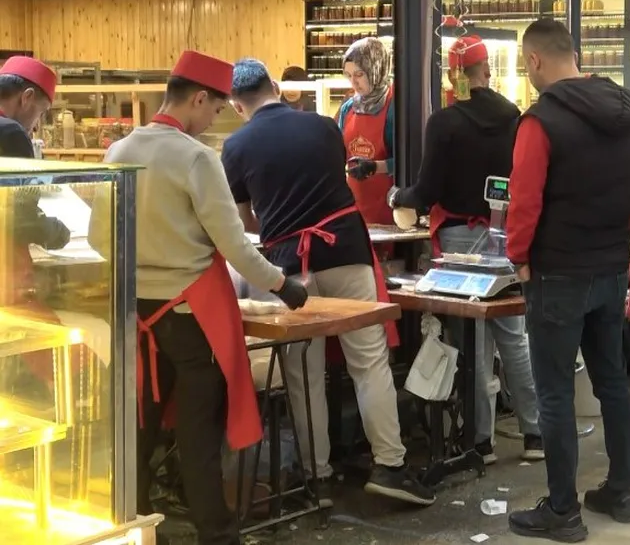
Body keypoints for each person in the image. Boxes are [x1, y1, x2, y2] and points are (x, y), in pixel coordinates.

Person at [96, 51, 309, 545]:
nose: (215, 118)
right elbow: (235, 245)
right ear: (197, 98)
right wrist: (283, 284)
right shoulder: (195, 158)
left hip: (138, 314)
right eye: (215, 108)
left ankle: (134, 524)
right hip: (190, 315)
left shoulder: (118, 150)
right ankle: (216, 534)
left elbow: (101, 234)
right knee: (198, 434)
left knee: (140, 425)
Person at [221, 59, 433, 505]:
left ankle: (317, 478)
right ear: (275, 87)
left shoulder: (235, 146)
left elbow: (247, 223)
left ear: (237, 105)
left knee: (303, 371)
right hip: (344, 248)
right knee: (368, 359)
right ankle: (390, 467)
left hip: (287, 264)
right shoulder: (322, 126)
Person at [505, 19, 630, 541]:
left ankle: (563, 510)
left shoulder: (539, 122)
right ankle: (622, 492)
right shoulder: (624, 114)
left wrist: (519, 257)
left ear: (536, 60)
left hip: (557, 272)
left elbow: (525, 200)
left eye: (526, 64)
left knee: (556, 392)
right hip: (610, 266)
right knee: (612, 381)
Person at [388, 35, 543, 465]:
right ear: (486, 71)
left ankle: (481, 441)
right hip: (503, 233)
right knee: (514, 338)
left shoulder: (446, 123)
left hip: (457, 238)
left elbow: (427, 192)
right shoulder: (514, 116)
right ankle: (535, 434)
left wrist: (397, 195)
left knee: (473, 343)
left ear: (454, 76)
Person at [0, 56, 71, 261]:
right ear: (27, 97)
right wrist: (53, 231)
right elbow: (19, 218)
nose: (37, 125)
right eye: (42, 112)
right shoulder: (10, 133)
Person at [336, 37, 396, 228]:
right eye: (348, 75)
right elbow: (337, 153)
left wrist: (374, 167)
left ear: (376, 69)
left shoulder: (396, 108)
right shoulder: (348, 109)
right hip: (353, 209)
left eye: (359, 74)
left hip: (390, 209)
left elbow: (410, 162)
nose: (353, 82)